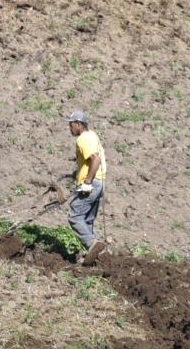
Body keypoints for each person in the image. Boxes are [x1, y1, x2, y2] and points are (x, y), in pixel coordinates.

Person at [65, 110, 107, 265]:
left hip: (92, 183)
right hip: (100, 182)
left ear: (78, 124)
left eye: (71, 125)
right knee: (87, 220)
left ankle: (92, 245)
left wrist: (87, 182)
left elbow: (95, 160)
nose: (70, 128)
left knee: (74, 216)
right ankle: (97, 256)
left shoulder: (82, 139)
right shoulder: (93, 135)